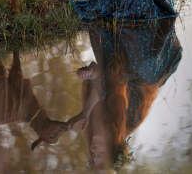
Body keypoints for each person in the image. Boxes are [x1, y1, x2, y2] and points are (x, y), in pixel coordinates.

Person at [66, 18, 182, 171]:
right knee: (140, 62)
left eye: (93, 155)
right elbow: (115, 81)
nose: (93, 150)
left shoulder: (91, 126)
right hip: (142, 74)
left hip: (119, 67)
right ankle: (141, 20)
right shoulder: (131, 119)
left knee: (97, 27)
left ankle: (110, 21)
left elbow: (101, 80)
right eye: (100, 153)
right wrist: (97, 76)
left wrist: (89, 76)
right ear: (112, 145)